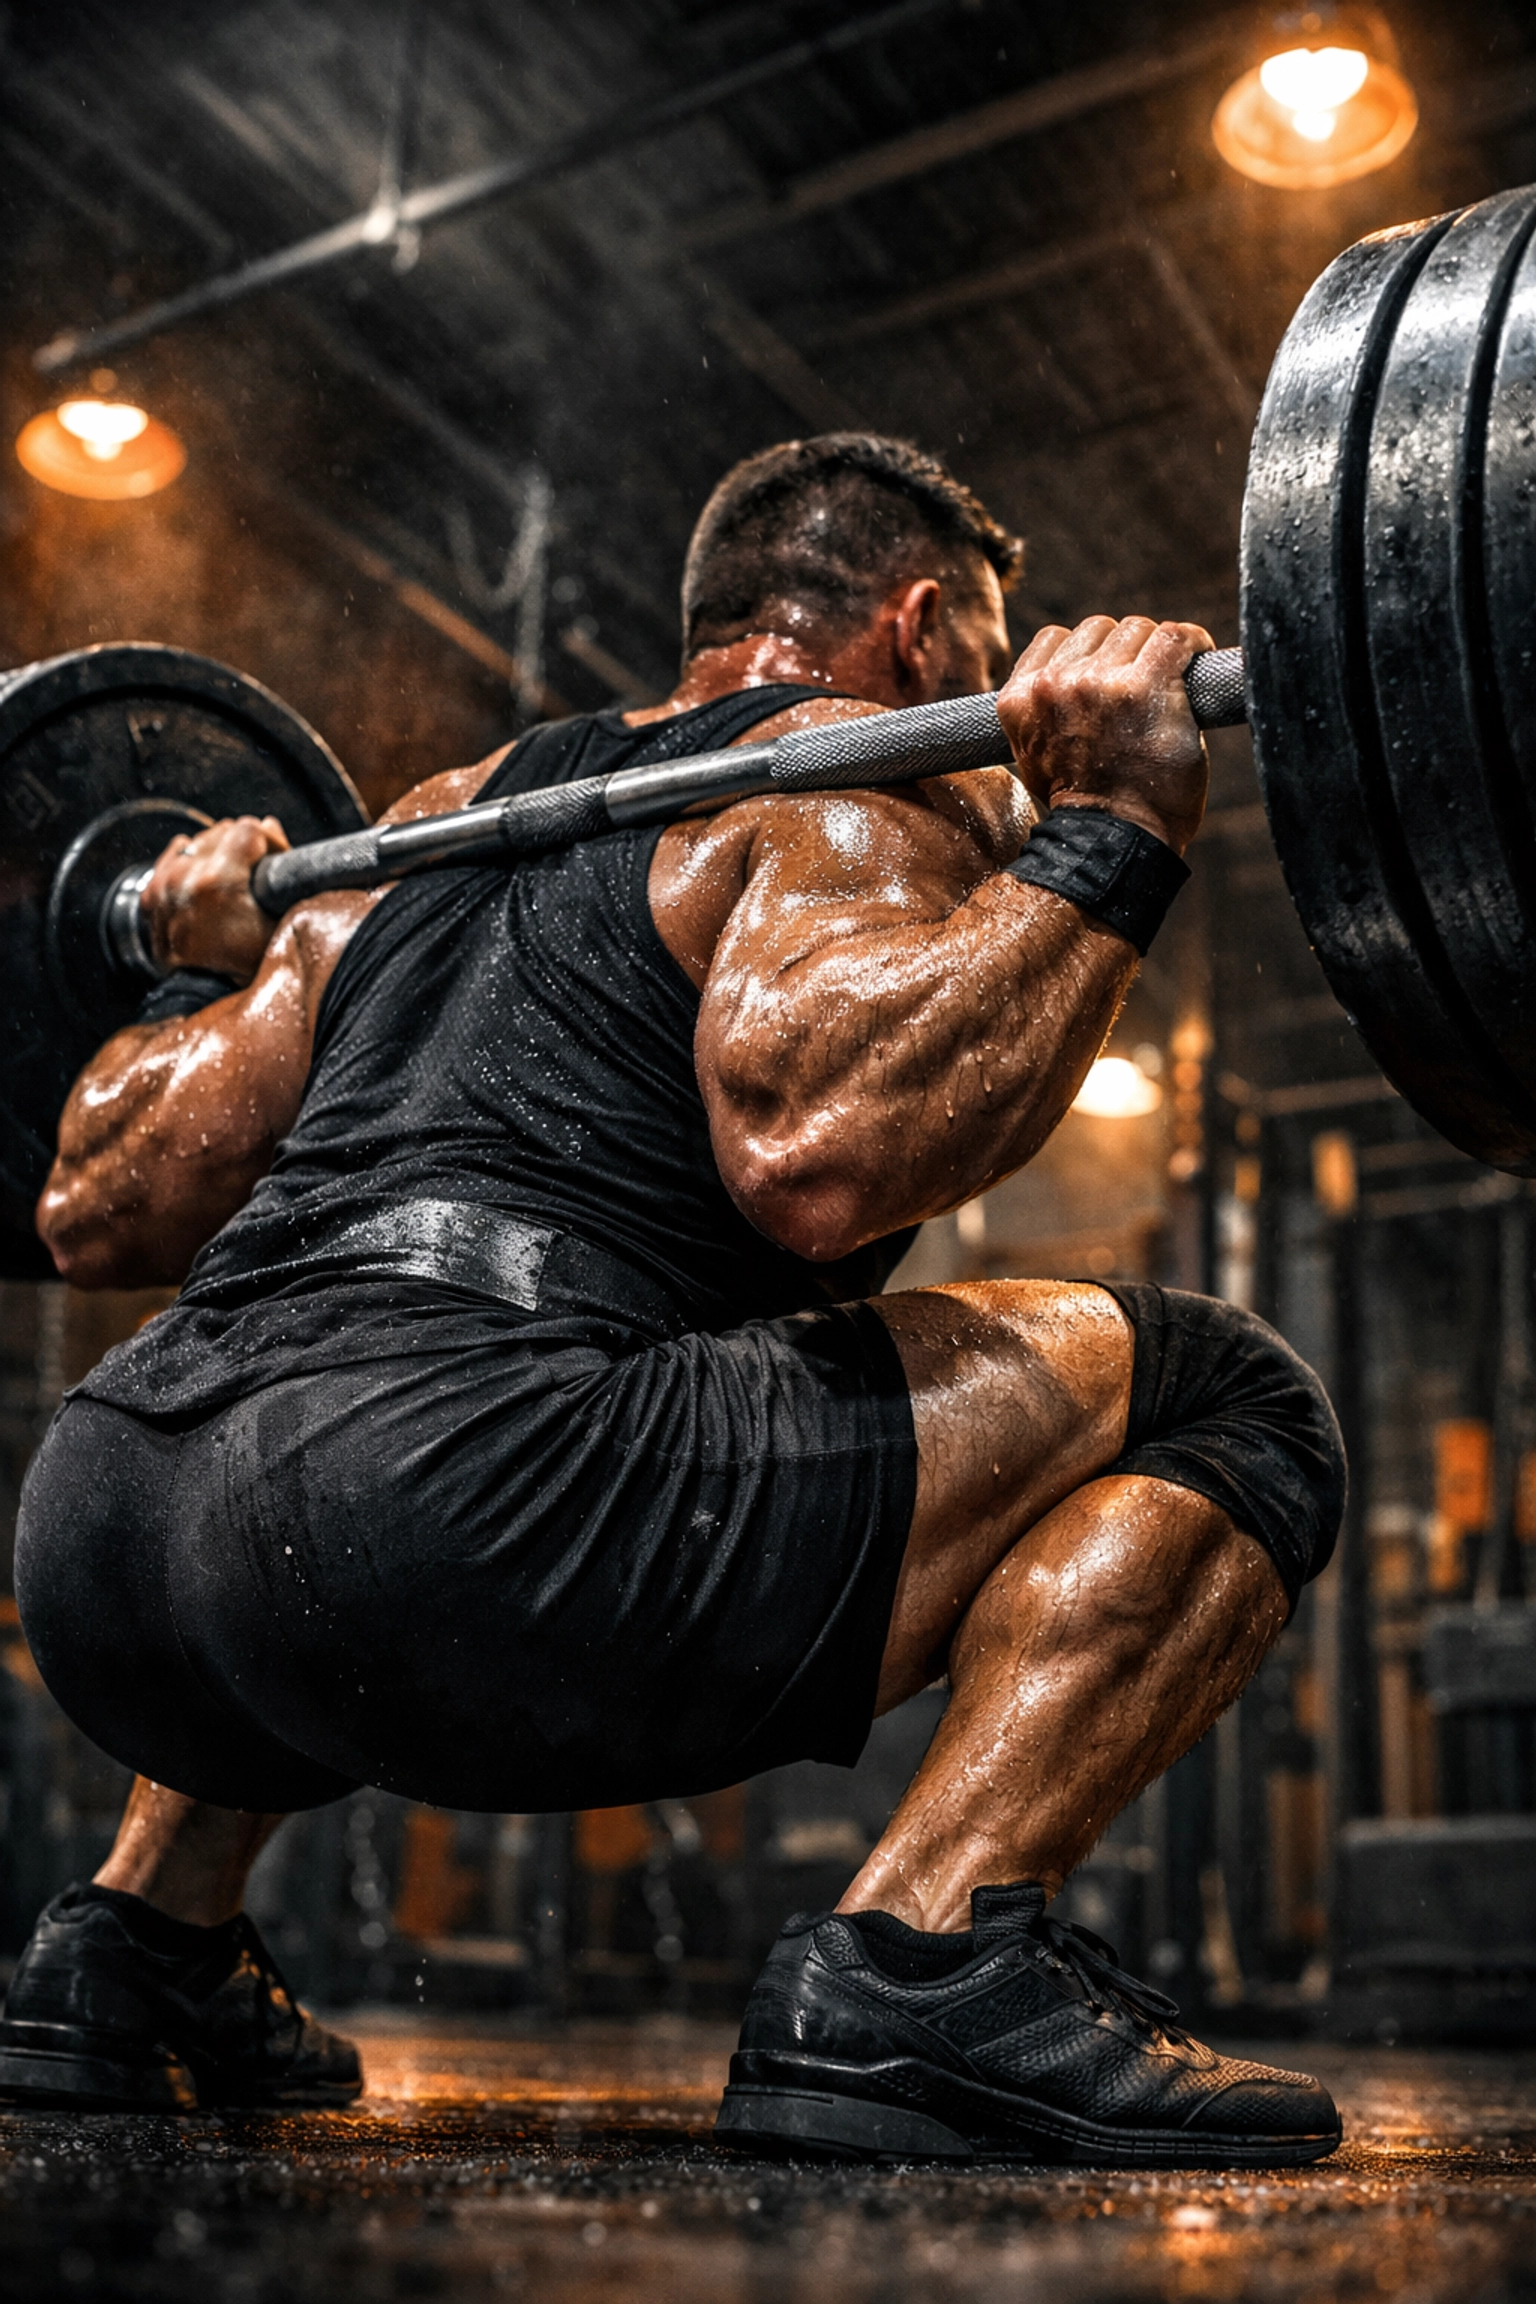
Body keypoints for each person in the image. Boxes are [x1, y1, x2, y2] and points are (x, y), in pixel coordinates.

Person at [1, 434, 1344, 2165]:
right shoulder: (839, 779)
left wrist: (202, 962)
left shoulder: (420, 834)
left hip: (106, 1527)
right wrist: (1109, 823)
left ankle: (137, 1944)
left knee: (321, 1407)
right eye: (996, 656)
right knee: (1229, 1397)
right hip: (449, 1518)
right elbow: (823, 1147)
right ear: (924, 633)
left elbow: (97, 1200)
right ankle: (926, 1959)